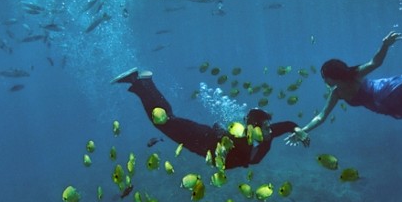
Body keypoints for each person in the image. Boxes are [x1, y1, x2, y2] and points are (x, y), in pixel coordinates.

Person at [285, 32, 402, 146]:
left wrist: (385, 45)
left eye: (325, 76)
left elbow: (375, 62)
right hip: (383, 106)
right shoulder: (337, 93)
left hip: (388, 89)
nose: (323, 80)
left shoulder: (354, 74)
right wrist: (303, 130)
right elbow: (321, 116)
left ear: (333, 76)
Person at [112, 68, 302, 168]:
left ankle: (143, 82)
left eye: (268, 128)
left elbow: (286, 125)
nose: (270, 131)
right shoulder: (252, 139)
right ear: (254, 128)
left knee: (167, 120)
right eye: (265, 128)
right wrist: (224, 135)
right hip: (200, 139)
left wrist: (298, 130)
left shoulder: (260, 135)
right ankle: (139, 81)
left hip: (203, 140)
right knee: (165, 121)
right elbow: (251, 157)